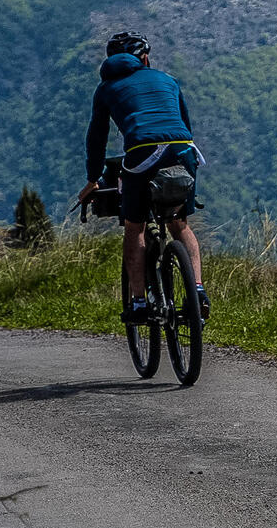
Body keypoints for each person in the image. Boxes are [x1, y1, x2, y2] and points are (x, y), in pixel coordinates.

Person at [82, 32, 205, 324]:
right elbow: (185, 124)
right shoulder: (167, 80)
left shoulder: (106, 88)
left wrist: (93, 179)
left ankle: (139, 302)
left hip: (142, 152)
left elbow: (96, 139)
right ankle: (198, 292)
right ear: (145, 58)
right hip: (183, 150)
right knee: (179, 223)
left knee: (134, 227)